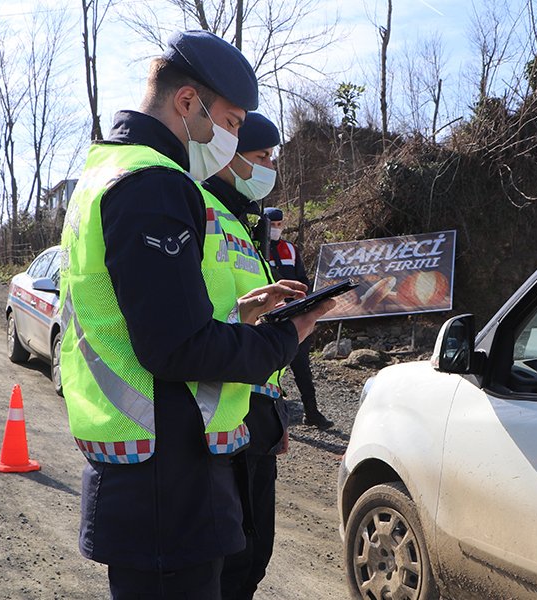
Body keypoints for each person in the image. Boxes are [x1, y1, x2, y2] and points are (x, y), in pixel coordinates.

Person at [57, 31, 332, 599]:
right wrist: (284, 340)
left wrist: (241, 313)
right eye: (230, 123)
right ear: (187, 103)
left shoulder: (109, 171)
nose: (229, 141)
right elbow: (177, 347)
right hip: (169, 481)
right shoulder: (154, 185)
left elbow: (145, 316)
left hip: (145, 466)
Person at [200, 112, 290, 600]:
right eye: (261, 156)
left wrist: (276, 416)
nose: (269, 167)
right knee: (231, 560)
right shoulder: (202, 209)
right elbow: (208, 320)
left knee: (256, 553)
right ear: (228, 156)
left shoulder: (244, 221)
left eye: (272, 157)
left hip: (257, 413)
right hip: (221, 416)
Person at [265, 208, 334, 429]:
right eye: (272, 225)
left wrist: (307, 302)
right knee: (268, 370)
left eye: (279, 224)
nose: (276, 229)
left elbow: (303, 279)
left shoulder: (290, 249)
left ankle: (311, 412)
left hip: (294, 315)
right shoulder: (256, 248)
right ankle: (268, 416)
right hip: (269, 316)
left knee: (302, 367)